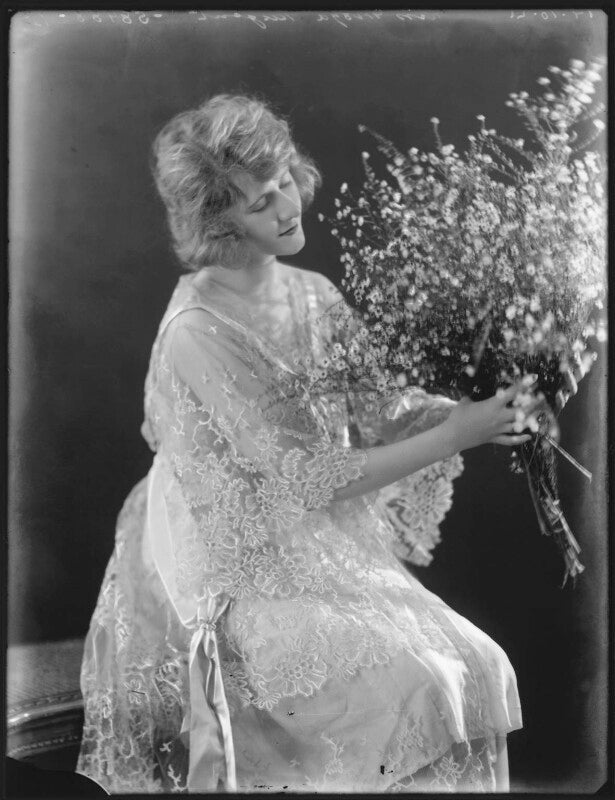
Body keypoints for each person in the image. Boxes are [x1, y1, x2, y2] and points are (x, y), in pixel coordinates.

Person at [76, 94, 544, 794]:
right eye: (261, 201)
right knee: (419, 685)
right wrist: (457, 434)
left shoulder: (313, 294)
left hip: (318, 548)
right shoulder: (195, 331)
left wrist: (484, 413)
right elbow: (307, 478)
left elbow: (384, 409)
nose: (287, 206)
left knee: (478, 664)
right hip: (235, 574)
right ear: (219, 222)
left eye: (285, 180)